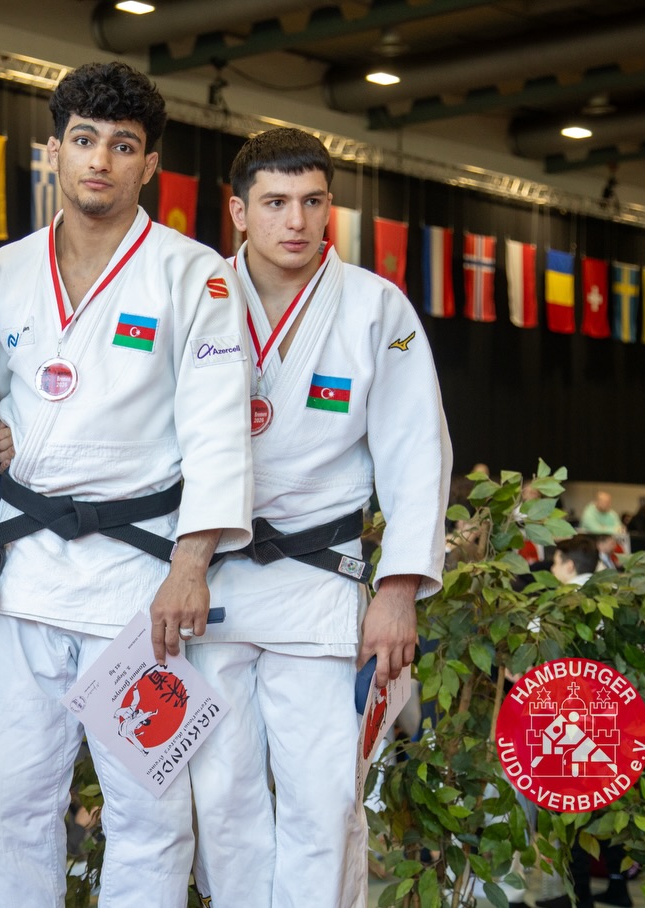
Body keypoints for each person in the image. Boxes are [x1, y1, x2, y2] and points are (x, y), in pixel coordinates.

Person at [0, 61, 253, 907]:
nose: (100, 160)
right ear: (53, 151)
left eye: (122, 146)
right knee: (10, 802)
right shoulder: (7, 270)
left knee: (149, 810)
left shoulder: (192, 272)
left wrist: (191, 563)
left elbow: (218, 425)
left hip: (141, 585)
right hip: (27, 578)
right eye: (84, 141)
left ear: (148, 165)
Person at [187, 127, 452, 907]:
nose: (295, 221)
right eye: (274, 203)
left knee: (326, 800)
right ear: (238, 211)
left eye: (311, 202)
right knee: (222, 801)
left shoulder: (377, 307)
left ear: (330, 206)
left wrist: (398, 588)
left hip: (320, 583)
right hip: (212, 583)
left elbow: (416, 453)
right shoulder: (195, 295)